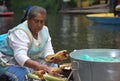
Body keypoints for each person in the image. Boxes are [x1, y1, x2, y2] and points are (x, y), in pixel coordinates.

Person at [0, 6, 64, 81]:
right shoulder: (20, 32)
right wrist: (40, 66)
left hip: (31, 59)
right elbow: (20, 57)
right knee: (24, 75)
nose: (39, 25)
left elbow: (48, 51)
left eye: (42, 21)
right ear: (28, 20)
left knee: (54, 66)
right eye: (36, 21)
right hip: (9, 62)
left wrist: (53, 59)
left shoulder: (45, 30)